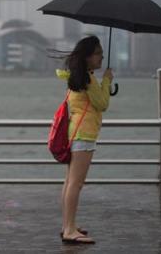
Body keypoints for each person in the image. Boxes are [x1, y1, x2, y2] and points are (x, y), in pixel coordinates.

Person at [56, 35, 113, 244]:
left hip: (76, 133)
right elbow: (102, 103)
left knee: (70, 182)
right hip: (84, 135)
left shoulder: (79, 76)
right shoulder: (88, 79)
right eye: (98, 53)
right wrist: (107, 80)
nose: (101, 57)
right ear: (88, 56)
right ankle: (70, 229)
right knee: (76, 184)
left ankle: (67, 225)